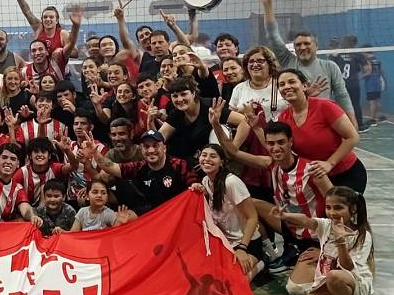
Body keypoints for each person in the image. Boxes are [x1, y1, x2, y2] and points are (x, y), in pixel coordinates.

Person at [210, 105, 334, 282]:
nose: (276, 148)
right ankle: (269, 254)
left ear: (290, 142)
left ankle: (323, 260)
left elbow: (340, 210)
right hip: (289, 227)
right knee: (249, 204)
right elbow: (233, 152)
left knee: (296, 289)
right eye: (271, 144)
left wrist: (326, 248)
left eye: (281, 143)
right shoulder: (271, 164)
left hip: (313, 237)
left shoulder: (312, 170)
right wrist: (216, 125)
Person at [275, 187, 373, 295]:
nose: (332, 212)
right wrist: (285, 215)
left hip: (354, 282)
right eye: (328, 207)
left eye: (338, 208)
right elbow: (306, 220)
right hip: (327, 282)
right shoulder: (327, 225)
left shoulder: (362, 235)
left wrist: (341, 242)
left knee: (334, 276)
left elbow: (348, 268)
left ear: (353, 209)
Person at [254, 0, 356, 127]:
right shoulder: (288, 61)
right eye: (298, 45)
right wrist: (267, 6)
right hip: (296, 120)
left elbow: (342, 95)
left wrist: (352, 121)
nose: (302, 47)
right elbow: (273, 35)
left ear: (316, 46)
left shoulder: (330, 67)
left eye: (307, 44)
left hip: (323, 120)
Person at [276, 69, 366, 193]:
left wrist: (329, 163)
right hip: (317, 178)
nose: (287, 87)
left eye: (292, 82)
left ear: (304, 86)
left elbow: (353, 137)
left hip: (347, 173)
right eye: (282, 84)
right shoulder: (283, 117)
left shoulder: (325, 107)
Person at [190, 145, 263, 280]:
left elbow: (252, 217)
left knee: (235, 281)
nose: (207, 159)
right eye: (204, 155)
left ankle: (261, 263)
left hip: (247, 243)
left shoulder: (231, 182)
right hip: (226, 242)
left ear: (222, 162)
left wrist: (242, 248)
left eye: (213, 156)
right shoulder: (205, 181)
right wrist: (198, 190)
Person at [90, 129, 197, 215]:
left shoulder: (179, 164)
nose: (151, 150)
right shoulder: (139, 167)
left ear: (164, 148)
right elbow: (110, 167)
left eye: (155, 145)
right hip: (152, 212)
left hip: (178, 212)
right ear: (141, 149)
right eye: (146, 146)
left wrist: (196, 185)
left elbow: (195, 186)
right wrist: (95, 153)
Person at [70, 180, 137, 231]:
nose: (99, 195)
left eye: (103, 193)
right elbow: (73, 234)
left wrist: (119, 222)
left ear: (107, 198)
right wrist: (64, 233)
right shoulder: (82, 211)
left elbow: (113, 233)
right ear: (87, 196)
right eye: (95, 192)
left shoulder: (108, 213)